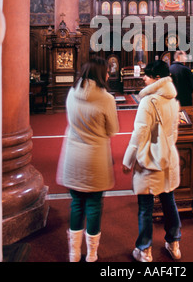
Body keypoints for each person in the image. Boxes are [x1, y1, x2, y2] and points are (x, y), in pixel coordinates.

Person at [56, 58, 119, 262]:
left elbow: (70, 121)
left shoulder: (71, 93)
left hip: (73, 155)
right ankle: (92, 253)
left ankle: (73, 253)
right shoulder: (106, 99)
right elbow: (113, 130)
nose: (108, 75)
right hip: (95, 158)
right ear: (100, 74)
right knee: (93, 205)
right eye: (107, 72)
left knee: (76, 203)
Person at [122, 60, 182, 263]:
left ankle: (144, 249)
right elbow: (174, 133)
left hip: (149, 158)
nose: (143, 78)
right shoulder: (173, 100)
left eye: (146, 75)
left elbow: (140, 133)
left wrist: (128, 159)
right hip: (167, 157)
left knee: (146, 207)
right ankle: (174, 242)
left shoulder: (148, 101)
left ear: (157, 78)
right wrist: (164, 146)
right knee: (169, 201)